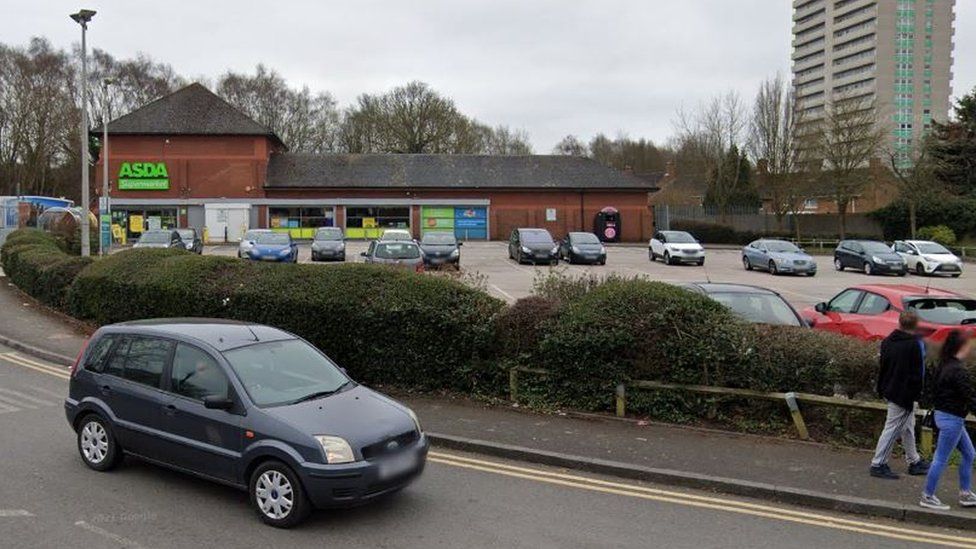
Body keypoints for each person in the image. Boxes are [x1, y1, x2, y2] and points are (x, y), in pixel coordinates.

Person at [869, 310, 931, 479]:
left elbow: (884, 366)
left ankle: (914, 460)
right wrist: (917, 395)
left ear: (899, 323)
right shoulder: (914, 345)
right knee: (893, 428)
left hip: (890, 389)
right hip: (904, 394)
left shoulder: (888, 341)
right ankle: (878, 463)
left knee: (907, 427)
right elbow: (917, 373)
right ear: (916, 325)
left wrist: (882, 388)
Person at [920, 330, 976, 510]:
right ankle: (927, 496)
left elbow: (932, 391)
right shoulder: (958, 371)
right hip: (952, 419)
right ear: (961, 347)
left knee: (969, 453)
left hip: (944, 415)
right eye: (968, 345)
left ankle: (965, 494)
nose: (970, 349)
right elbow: (969, 397)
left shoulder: (944, 365)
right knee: (940, 458)